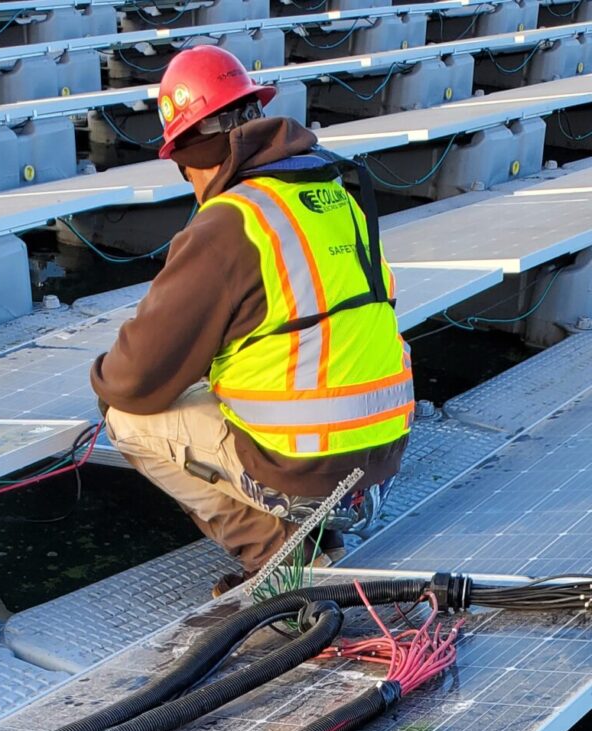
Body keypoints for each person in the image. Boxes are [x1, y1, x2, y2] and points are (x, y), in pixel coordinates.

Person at [90, 46, 414, 596]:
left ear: (194, 151)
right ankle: (312, 534)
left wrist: (104, 379)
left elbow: (134, 378)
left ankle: (275, 557)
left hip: (310, 476)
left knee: (127, 417)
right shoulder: (334, 194)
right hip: (380, 467)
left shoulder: (227, 224)